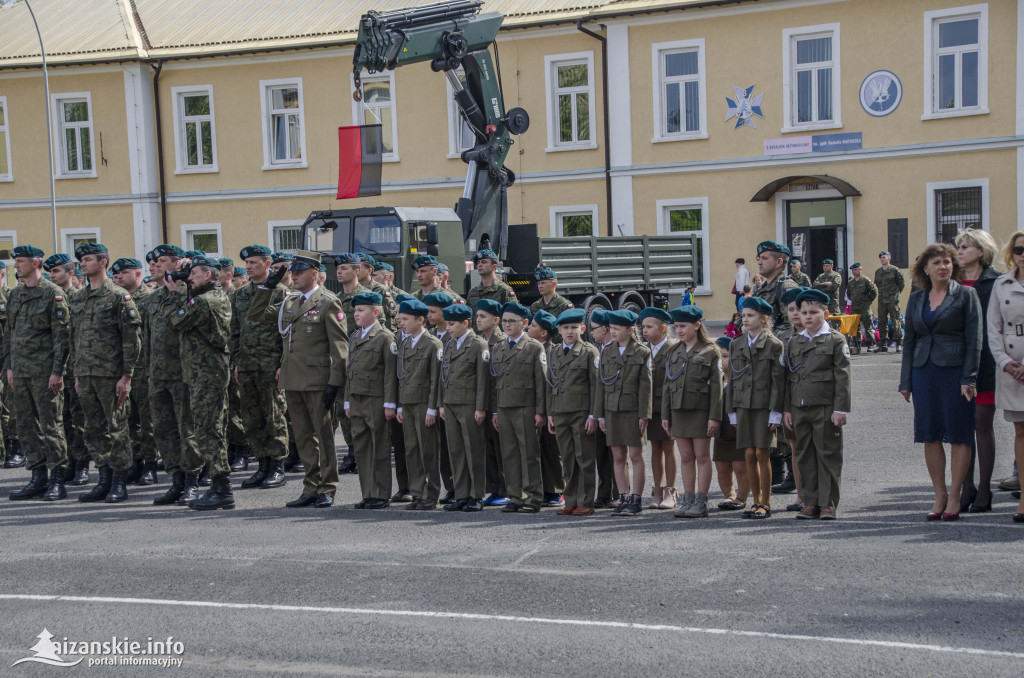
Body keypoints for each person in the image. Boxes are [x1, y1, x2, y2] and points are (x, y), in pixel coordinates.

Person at [248, 250, 348, 509]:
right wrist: (267, 286)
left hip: (318, 380)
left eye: (299, 272)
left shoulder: (328, 302)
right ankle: (310, 486)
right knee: (303, 437)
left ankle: (328, 487)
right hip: (293, 380)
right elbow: (256, 314)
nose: (294, 276)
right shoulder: (288, 301)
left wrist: (335, 383)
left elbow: (339, 347)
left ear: (314, 274)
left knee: (324, 438)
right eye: (293, 272)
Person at [898, 243, 982, 521]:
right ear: (925, 268)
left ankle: (956, 493)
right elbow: (909, 341)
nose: (943, 266)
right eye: (936, 263)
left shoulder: (966, 295)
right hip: (924, 372)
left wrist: (969, 377)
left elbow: (975, 341)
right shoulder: (917, 298)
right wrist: (905, 381)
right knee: (929, 434)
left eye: (947, 262)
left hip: (956, 373)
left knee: (959, 434)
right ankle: (939, 493)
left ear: (953, 266)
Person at [70, 243, 141, 504]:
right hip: (86, 374)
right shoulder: (77, 298)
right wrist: (77, 372)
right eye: (81, 261)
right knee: (94, 429)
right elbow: (73, 338)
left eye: (88, 260)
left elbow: (132, 340)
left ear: (103, 263)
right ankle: (104, 478)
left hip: (111, 375)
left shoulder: (118, 296)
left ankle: (119, 482)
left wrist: (127, 376)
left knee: (117, 428)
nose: (82, 264)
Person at [167, 254, 235, 511]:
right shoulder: (214, 297)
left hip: (206, 375)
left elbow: (176, 321)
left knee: (209, 430)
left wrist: (176, 294)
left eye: (193, 274)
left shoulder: (205, 302)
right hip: (206, 373)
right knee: (211, 428)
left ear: (208, 275)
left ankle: (222, 488)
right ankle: (219, 486)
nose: (189, 278)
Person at [5, 246, 70, 501]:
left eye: (19, 262)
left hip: (44, 372)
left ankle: (57, 478)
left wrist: (58, 371)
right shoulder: (16, 294)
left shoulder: (52, 294)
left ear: (35, 264)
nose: (15, 266)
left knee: (50, 424)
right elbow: (11, 334)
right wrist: (10, 366)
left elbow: (61, 337)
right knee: (25, 426)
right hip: (20, 372)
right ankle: (37, 476)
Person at [783, 288, 852, 520]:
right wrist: (786, 409)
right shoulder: (794, 342)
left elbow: (842, 377)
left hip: (824, 407)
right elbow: (788, 378)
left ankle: (828, 503)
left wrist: (840, 409)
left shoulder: (835, 339)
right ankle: (810, 502)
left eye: (814, 312)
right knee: (805, 456)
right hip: (799, 407)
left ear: (826, 313)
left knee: (828, 456)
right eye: (804, 312)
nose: (808, 316)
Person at [148, 244, 204, 506]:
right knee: (163, 429)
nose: (155, 265)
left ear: (178, 264)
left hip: (182, 372)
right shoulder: (154, 297)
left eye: (162, 261)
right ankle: (176, 480)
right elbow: (151, 338)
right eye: (154, 262)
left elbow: (183, 324)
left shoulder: (188, 293)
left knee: (187, 430)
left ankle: (192, 482)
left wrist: (178, 291)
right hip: (159, 373)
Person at [231, 245, 289, 491]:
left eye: (254, 262)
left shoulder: (282, 292)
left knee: (273, 416)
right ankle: (262, 464)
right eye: (247, 263)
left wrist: (283, 365)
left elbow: (288, 333)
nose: (248, 266)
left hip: (270, 364)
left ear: (267, 264)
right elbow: (234, 330)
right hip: (247, 365)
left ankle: (277, 466)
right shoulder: (240, 294)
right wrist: (236, 360)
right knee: (252, 418)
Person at [955, 229, 1002, 513]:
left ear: (981, 251)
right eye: (958, 247)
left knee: (982, 425)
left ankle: (984, 489)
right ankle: (966, 486)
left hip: (986, 364)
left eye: (965, 247)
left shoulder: (996, 282)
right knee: (962, 428)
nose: (959, 251)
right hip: (956, 363)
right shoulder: (952, 282)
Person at [661, 305, 722, 518]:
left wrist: (715, 417)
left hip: (701, 411)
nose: (678, 330)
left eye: (683, 326)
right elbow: (667, 386)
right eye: (676, 326)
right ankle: (687, 499)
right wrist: (665, 415)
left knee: (702, 456)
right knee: (686, 456)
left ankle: (701, 500)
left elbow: (717, 388)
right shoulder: (673, 351)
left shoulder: (710, 351)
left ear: (696, 325)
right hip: (679, 410)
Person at [726, 297, 784, 520]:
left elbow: (778, 381)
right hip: (743, 404)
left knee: (762, 452)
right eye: (743, 315)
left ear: (763, 318)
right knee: (749, 453)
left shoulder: (773, 344)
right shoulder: (736, 343)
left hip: (763, 405)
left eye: (750, 316)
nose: (745, 319)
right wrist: (731, 410)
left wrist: (776, 412)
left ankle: (765, 502)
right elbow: (732, 379)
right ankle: (754, 500)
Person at [488, 302, 546, 513]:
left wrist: (540, 411)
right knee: (509, 454)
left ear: (525, 323)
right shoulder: (499, 347)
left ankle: (533, 497)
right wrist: (495, 410)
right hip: (504, 407)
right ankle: (515, 496)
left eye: (512, 321)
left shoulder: (533, 347)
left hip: (525, 407)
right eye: (504, 321)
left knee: (529, 453)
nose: (507, 325)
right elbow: (495, 382)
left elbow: (541, 382)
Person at [595, 309, 652, 516]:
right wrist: (599, 415)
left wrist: (644, 414)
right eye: (611, 328)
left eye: (617, 329)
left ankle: (636, 499)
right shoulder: (607, 351)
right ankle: (623, 496)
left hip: (633, 410)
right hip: (611, 410)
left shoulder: (642, 352)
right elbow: (601, 385)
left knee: (636, 455)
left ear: (630, 330)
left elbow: (646, 386)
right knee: (617, 455)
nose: (612, 332)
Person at [344, 292, 398, 509]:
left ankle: (381, 493)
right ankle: (368, 492)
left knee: (379, 447)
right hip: (357, 398)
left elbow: (390, 374)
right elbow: (351, 370)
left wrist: (389, 403)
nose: (356, 314)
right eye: (355, 310)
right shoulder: (355, 336)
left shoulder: (385, 337)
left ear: (376, 312)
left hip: (376, 399)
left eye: (361, 310)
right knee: (362, 447)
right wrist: (347, 400)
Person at [546, 308, 599, 516]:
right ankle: (571, 500)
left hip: (581, 413)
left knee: (584, 458)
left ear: (582, 328)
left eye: (574, 327)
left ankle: (586, 501)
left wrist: (594, 415)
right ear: (559, 330)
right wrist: (550, 413)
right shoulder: (553, 353)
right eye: (566, 328)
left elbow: (596, 387)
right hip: (560, 412)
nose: (570, 332)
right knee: (567, 459)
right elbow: (550, 384)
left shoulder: (588, 352)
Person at [986, 231, 1024, 523]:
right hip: (1011, 367)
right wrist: (1004, 361)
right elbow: (993, 328)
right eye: (1020, 249)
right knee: (1020, 433)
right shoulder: (1002, 284)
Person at [110, 257, 157, 486]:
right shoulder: (118, 299)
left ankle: (150, 465)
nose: (118, 278)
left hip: (144, 367)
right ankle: (135, 462)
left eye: (123, 274)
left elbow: (150, 338)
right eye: (116, 275)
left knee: (147, 421)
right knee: (129, 420)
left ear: (138, 274)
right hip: (124, 367)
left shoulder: (148, 298)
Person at [438, 303, 490, 512]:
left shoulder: (478, 345)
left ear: (465, 323)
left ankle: (476, 495)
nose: (448, 328)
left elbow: (482, 380)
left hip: (469, 404)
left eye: (452, 324)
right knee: (456, 451)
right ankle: (461, 494)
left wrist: (480, 407)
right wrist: (441, 403)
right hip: (450, 403)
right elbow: (443, 376)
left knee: (473, 450)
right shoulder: (449, 344)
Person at [43, 253, 87, 484]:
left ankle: (82, 464)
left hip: (75, 367)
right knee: (63, 417)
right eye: (50, 271)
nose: (52, 275)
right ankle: (70, 460)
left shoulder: (79, 298)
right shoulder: (49, 297)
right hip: (57, 366)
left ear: (71, 273)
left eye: (57, 271)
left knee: (79, 418)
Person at [395, 298, 443, 510]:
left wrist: (432, 409)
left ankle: (431, 494)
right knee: (412, 450)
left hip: (424, 404)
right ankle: (417, 493)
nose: (401, 322)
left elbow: (435, 380)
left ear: (420, 320)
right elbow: (401, 376)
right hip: (408, 403)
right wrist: (400, 406)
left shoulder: (433, 344)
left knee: (428, 450)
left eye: (406, 319)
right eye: (400, 318)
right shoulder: (405, 342)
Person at [640, 307, 678, 509]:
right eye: (643, 326)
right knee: (655, 447)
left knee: (669, 447)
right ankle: (657, 489)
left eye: (649, 326)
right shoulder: (643, 349)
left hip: (667, 406)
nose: (645, 330)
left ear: (663, 328)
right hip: (650, 407)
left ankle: (670, 491)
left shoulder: (673, 349)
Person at [527, 308, 565, 506]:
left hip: (549, 408)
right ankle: (542, 488)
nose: (528, 328)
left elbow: (548, 383)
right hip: (533, 406)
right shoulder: (532, 347)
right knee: (538, 450)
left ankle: (557, 490)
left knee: (552, 450)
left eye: (533, 326)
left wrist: (545, 410)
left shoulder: (551, 351)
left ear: (543, 333)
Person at [475, 299, 508, 506]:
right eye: (477, 316)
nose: (478, 320)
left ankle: (505, 489)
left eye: (482, 316)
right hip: (482, 403)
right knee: (487, 448)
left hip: (497, 404)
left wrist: (495, 410)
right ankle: (494, 488)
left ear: (496, 320)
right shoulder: (479, 341)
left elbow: (499, 380)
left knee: (501, 449)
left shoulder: (502, 343)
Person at [712, 336, 748, 511]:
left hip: (739, 427)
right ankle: (729, 495)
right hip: (721, 428)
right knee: (721, 464)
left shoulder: (739, 379)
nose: (721, 360)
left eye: (725, 356)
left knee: (740, 464)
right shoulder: (715, 381)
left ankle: (742, 496)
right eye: (718, 356)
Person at [588, 309, 618, 507]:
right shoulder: (599, 349)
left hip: (615, 409)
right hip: (599, 409)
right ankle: (605, 491)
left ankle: (618, 492)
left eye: (594, 328)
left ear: (606, 329)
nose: (591, 332)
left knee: (617, 454)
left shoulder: (616, 349)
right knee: (601, 453)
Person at [874, 250, 906, 352]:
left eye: (884, 257)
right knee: (882, 321)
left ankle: (898, 343)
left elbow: (901, 284)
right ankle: (883, 343)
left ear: (889, 258)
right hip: (882, 299)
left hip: (893, 299)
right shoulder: (878, 272)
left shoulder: (895, 270)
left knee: (895, 320)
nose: (882, 259)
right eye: (881, 257)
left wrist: (895, 294)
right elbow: (878, 284)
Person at [846, 263, 878, 350]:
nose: (854, 271)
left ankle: (870, 344)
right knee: (855, 327)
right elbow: (849, 294)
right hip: (854, 307)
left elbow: (874, 292)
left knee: (867, 326)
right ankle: (857, 344)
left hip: (865, 307)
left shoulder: (866, 280)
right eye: (853, 270)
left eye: (856, 269)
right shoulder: (851, 282)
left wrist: (868, 301)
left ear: (860, 270)